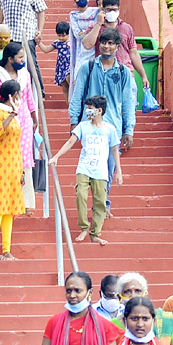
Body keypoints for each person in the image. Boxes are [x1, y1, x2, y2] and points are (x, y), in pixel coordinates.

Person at [68, 28, 136, 209]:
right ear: (99, 44)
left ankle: (102, 202)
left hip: (112, 126)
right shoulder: (88, 67)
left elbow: (128, 102)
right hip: (89, 126)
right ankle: (99, 202)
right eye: (104, 42)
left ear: (117, 46)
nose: (107, 46)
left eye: (111, 43)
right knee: (92, 165)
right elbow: (77, 95)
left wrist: (129, 130)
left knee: (109, 167)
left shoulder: (123, 72)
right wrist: (74, 121)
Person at [49, 94, 121, 244]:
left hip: (101, 171)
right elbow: (70, 142)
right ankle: (83, 228)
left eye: (90, 108)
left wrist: (118, 171)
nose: (87, 111)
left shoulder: (110, 129)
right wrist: (56, 157)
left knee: (100, 201)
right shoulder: (83, 126)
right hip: (84, 167)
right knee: (80, 195)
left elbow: (115, 150)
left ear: (99, 110)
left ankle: (95, 234)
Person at [0, 42, 40, 212]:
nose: (22, 60)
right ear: (10, 58)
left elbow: (29, 98)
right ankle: (8, 198)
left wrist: (35, 118)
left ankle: (27, 202)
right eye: (20, 57)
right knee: (6, 157)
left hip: (24, 121)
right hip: (3, 119)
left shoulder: (25, 74)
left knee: (24, 158)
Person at [0, 79, 25, 261]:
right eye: (18, 93)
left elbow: (17, 144)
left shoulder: (13, 113)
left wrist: (22, 170)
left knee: (9, 209)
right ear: (12, 95)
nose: (20, 97)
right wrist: (10, 116)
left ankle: (7, 249)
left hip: (13, 167)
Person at [80, 0, 150, 91]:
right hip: (103, 74)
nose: (112, 12)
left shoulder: (127, 28)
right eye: (109, 10)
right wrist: (99, 24)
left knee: (129, 104)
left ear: (119, 10)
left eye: (115, 9)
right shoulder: (95, 27)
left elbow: (133, 53)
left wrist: (143, 75)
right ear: (103, 10)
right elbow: (87, 45)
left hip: (125, 73)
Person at [67, 0, 100, 76]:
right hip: (81, 51)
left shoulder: (96, 12)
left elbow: (99, 28)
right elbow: (77, 34)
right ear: (75, 1)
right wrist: (91, 30)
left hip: (94, 49)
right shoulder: (74, 15)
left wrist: (84, 31)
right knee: (80, 76)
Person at [38, 21, 72, 101]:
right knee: (64, 87)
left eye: (63, 36)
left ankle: (75, 104)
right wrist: (39, 43)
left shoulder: (72, 42)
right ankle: (69, 105)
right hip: (61, 67)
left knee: (71, 82)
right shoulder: (58, 43)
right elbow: (46, 50)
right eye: (59, 35)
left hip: (70, 66)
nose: (61, 38)